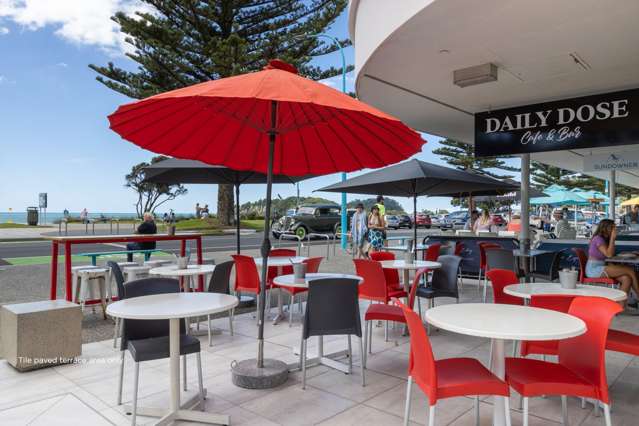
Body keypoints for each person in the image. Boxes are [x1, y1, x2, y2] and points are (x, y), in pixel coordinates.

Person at [586, 219, 639, 306]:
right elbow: (609, 254)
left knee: (626, 278)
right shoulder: (598, 239)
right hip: (594, 269)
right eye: (613, 228)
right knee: (630, 270)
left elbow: (610, 254)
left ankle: (618, 307)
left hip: (601, 266)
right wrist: (612, 238)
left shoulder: (603, 239)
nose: (615, 230)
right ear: (605, 228)